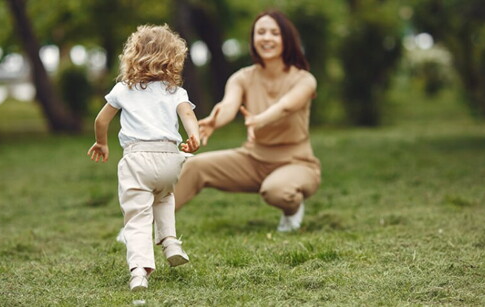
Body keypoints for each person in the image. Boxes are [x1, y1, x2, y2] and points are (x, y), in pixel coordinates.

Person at [174, 10, 320, 232]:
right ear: (253, 40)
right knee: (195, 166)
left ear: (286, 39)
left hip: (296, 162)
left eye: (274, 33)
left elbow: (286, 106)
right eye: (260, 32)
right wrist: (215, 121)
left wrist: (259, 120)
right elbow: (229, 105)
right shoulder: (242, 77)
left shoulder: (304, 79)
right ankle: (142, 227)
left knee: (276, 190)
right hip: (253, 159)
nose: (267, 38)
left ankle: (292, 210)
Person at [87, 24, 200, 291]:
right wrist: (194, 136)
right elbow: (187, 116)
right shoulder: (175, 92)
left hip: (138, 159)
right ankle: (170, 241)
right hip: (171, 158)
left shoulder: (122, 90)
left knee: (137, 216)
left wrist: (101, 143)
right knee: (164, 197)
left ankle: (139, 270)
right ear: (173, 59)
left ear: (133, 56)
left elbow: (101, 120)